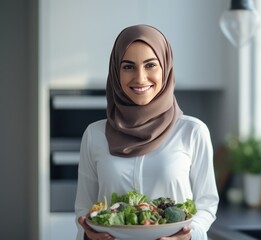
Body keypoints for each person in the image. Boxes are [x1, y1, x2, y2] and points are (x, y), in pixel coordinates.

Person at [75, 24, 219, 240]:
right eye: (128, 67)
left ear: (166, 67)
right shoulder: (95, 135)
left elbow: (207, 204)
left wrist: (189, 236)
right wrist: (89, 235)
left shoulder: (193, 131)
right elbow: (84, 208)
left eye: (150, 65)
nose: (140, 78)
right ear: (116, 71)